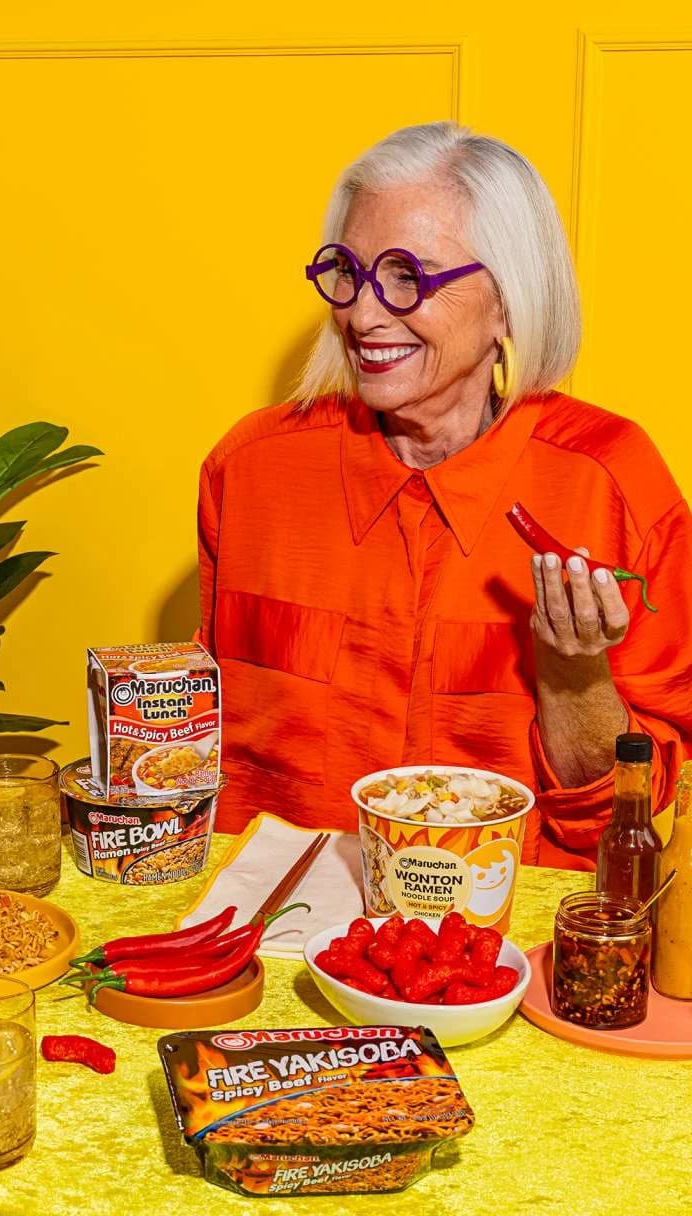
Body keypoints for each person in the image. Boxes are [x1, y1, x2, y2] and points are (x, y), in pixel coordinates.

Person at [198, 121, 692, 869]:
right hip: (279, 946)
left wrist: (573, 680)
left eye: (408, 276)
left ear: (507, 302)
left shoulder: (610, 481)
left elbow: (628, 834)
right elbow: (196, 752)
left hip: (507, 951)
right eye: (349, 272)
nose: (363, 314)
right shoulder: (250, 470)